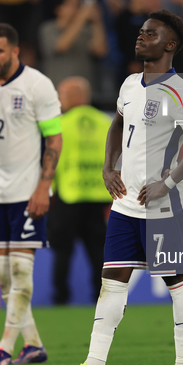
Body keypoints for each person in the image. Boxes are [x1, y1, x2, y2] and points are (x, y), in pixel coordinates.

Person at [62, 9, 183, 365]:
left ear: (170, 45)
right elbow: (117, 124)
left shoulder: (181, 91)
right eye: (141, 32)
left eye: (151, 34)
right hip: (125, 204)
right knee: (112, 281)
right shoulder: (129, 84)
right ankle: (94, 363)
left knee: (177, 280)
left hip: (165, 205)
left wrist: (169, 181)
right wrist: (108, 166)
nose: (141, 37)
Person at [0, 23, 63, 365]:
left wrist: (43, 187)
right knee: (5, 275)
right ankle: (32, 344)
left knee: (20, 271)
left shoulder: (37, 84)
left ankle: (4, 347)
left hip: (27, 193)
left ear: (15, 51)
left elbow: (54, 140)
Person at [48, 76, 112, 304]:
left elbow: (51, 161)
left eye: (62, 95)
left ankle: (61, 297)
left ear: (75, 97)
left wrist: (49, 191)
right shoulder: (106, 121)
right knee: (98, 251)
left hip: (69, 194)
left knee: (63, 250)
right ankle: (101, 296)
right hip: (98, 196)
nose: (59, 100)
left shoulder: (60, 123)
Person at [39, 0, 108, 91]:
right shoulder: (48, 28)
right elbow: (61, 46)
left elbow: (100, 51)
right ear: (59, 9)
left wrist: (97, 22)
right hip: (58, 88)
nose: (77, 8)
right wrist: (81, 17)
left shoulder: (86, 30)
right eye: (71, 4)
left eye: (79, 4)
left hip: (83, 90)